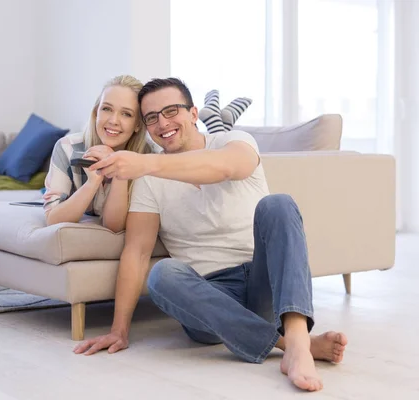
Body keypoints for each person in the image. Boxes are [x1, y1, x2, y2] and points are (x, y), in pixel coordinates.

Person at [72, 77, 348, 393]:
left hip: (264, 284)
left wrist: (145, 163)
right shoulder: (149, 182)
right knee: (162, 275)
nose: (163, 123)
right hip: (210, 300)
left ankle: (298, 342)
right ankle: (290, 345)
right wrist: (119, 330)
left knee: (279, 204)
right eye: (151, 118)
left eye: (171, 111)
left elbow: (224, 168)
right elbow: (136, 253)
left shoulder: (234, 142)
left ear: (193, 113)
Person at [43, 75, 233, 232]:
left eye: (126, 114)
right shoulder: (68, 147)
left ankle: (219, 125)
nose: (114, 120)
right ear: (96, 113)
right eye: (107, 109)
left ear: (137, 125)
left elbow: (113, 226)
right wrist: (92, 183)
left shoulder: (147, 157)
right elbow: (53, 219)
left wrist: (119, 170)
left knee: (213, 139)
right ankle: (219, 122)